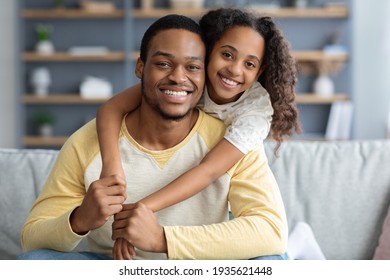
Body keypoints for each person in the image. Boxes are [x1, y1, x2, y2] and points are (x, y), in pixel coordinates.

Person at [19, 13, 288, 260]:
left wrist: (163, 238)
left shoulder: (238, 137)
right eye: (162, 64)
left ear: (201, 71)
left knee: (274, 263)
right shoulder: (87, 143)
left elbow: (272, 231)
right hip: (115, 265)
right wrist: (78, 219)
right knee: (32, 263)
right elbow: (31, 238)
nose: (177, 77)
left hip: (196, 266)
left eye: (192, 67)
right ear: (140, 68)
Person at [96, 8, 300, 259]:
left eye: (249, 64)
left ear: (259, 72)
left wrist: (140, 210)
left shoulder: (254, 113)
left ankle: (301, 241)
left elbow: (209, 170)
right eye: (227, 54)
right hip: (193, 196)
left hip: (227, 202)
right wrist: (112, 170)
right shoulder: (186, 79)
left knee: (273, 257)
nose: (235, 70)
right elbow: (111, 108)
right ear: (207, 52)